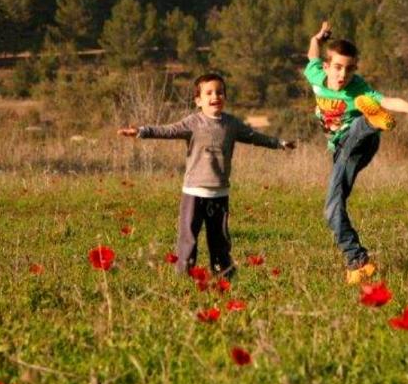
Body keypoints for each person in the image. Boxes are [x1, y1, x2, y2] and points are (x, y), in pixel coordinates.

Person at [305, 21, 408, 284]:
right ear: (327, 68)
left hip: (361, 140)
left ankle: (370, 120)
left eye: (350, 69)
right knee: (332, 208)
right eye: (338, 68)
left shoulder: (358, 87)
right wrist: (318, 37)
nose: (343, 75)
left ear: (355, 70)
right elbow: (313, 54)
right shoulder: (316, 75)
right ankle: (357, 262)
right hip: (342, 151)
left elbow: (388, 101)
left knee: (362, 122)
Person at [119, 73, 295, 279]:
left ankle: (224, 277)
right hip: (193, 192)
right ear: (198, 101)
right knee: (189, 239)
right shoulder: (193, 122)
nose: (215, 96)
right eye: (209, 93)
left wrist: (279, 143)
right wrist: (141, 131)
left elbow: (254, 137)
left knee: (219, 239)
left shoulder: (231, 124)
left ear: (225, 97)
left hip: (219, 193)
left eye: (219, 92)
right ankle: (184, 277)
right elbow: (167, 130)